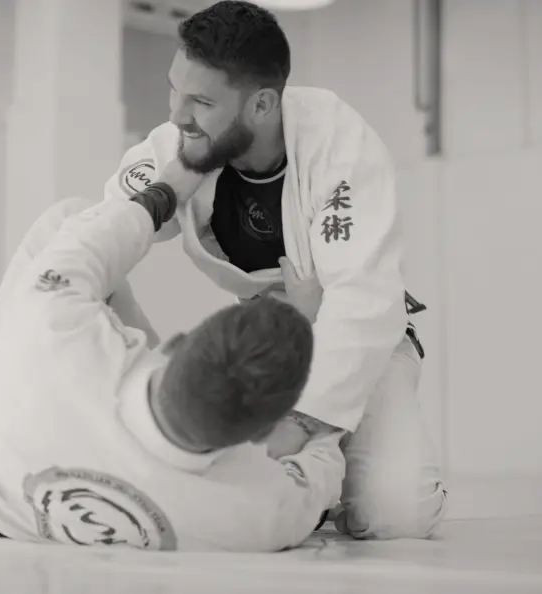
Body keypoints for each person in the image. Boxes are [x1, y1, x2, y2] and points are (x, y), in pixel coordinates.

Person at [102, 0, 446, 540]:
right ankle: (327, 484)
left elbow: (364, 296)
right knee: (250, 482)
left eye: (200, 100)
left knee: (398, 516)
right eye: (175, 89)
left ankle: (345, 468)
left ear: (262, 104)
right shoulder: (184, 139)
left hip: (364, 342)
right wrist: (174, 184)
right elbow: (116, 222)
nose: (176, 114)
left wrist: (303, 422)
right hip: (271, 342)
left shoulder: (336, 139)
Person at [0, 161, 346, 552]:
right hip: (0, 500)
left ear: (174, 345)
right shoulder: (264, 513)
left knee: (69, 219)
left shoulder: (56, 333)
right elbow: (322, 459)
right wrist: (319, 330)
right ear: (260, 434)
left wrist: (171, 186)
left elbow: (85, 239)